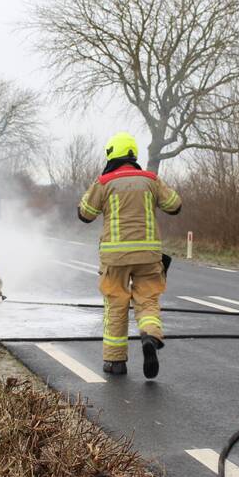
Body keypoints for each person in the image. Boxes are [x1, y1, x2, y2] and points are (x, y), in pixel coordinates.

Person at [77, 132, 181, 378]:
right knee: (148, 301)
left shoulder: (104, 182)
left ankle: (115, 362)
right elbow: (175, 206)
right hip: (148, 256)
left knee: (116, 305)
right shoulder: (150, 180)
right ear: (133, 155)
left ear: (112, 154)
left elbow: (85, 213)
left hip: (115, 259)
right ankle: (150, 337)